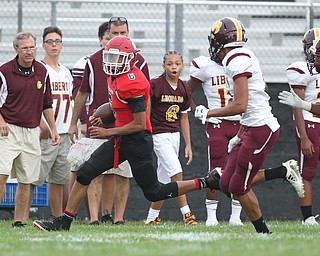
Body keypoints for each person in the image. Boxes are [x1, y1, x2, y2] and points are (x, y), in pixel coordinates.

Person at [32, 36, 220, 232]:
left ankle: (207, 181)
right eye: (109, 57)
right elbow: (118, 104)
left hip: (138, 141)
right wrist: (104, 115)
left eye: (116, 58)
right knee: (84, 173)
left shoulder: (134, 82)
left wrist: (107, 130)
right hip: (121, 138)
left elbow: (139, 124)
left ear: (130, 59)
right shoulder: (115, 76)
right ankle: (64, 221)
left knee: (154, 192)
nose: (111, 63)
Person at [194, 17, 302, 233]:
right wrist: (239, 134)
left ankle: (264, 233)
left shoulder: (236, 60)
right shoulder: (238, 57)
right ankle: (283, 171)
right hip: (250, 127)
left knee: (238, 187)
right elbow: (248, 105)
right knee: (225, 184)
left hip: (261, 129)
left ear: (220, 41)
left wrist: (209, 112)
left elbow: (241, 105)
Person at [69, 17, 150, 225]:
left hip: (130, 130)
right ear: (107, 35)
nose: (119, 37)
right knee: (92, 171)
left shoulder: (137, 63)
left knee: (125, 176)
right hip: (103, 125)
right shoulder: (95, 60)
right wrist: (77, 121)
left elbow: (143, 101)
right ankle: (92, 218)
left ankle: (116, 217)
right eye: (115, 33)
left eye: (123, 33)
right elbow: (83, 92)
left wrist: (144, 126)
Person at [0, 32, 60, 227]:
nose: (29, 51)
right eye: (25, 47)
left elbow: (46, 103)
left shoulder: (42, 71)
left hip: (31, 131)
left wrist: (53, 129)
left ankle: (18, 220)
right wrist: (1, 121)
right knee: (1, 174)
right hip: (8, 130)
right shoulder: (4, 71)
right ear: (16, 49)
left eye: (32, 47)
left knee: (27, 179)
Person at [188, 54, 243, 226]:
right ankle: (211, 217)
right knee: (215, 169)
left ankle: (236, 216)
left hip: (241, 123)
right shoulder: (205, 66)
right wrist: (197, 111)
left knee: (240, 169)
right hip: (217, 122)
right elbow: (184, 91)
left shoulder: (243, 63)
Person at [145, 51, 197, 225]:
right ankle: (187, 214)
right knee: (177, 172)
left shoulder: (184, 88)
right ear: (163, 66)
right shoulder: (155, 84)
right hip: (159, 135)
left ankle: (152, 218)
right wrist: (147, 132)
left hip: (174, 135)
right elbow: (147, 110)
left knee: (163, 179)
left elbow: (184, 117)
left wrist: (188, 144)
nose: (173, 67)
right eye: (169, 64)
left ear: (182, 66)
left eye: (177, 63)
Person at [28, 26, 73, 221]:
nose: (54, 45)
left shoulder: (65, 72)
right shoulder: (39, 69)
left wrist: (73, 125)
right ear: (43, 45)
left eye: (57, 41)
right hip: (45, 132)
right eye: (49, 42)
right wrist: (41, 123)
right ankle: (22, 217)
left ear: (62, 45)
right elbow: (31, 99)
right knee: (33, 177)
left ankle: (57, 218)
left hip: (63, 132)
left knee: (59, 179)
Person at [279, 28, 320, 225]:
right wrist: (303, 136)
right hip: (310, 122)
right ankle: (308, 218)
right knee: (307, 172)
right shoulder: (301, 69)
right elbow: (297, 105)